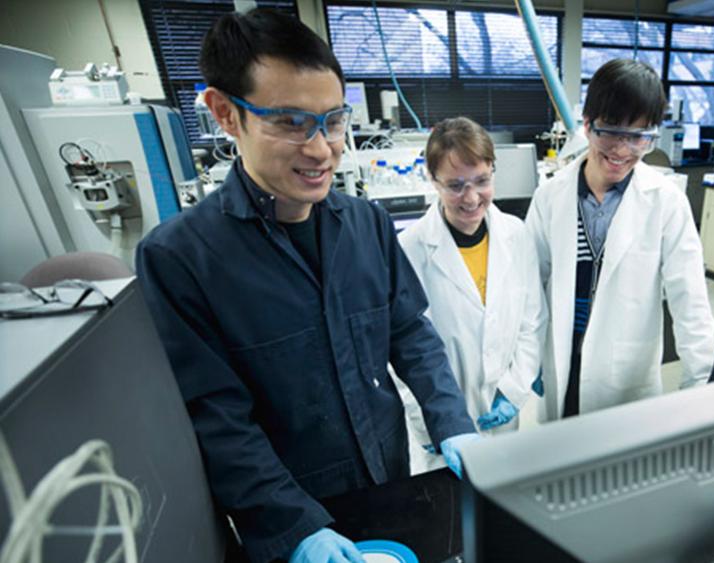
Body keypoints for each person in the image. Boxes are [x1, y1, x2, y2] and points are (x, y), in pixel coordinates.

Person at [134, 10, 477, 563]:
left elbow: (410, 333)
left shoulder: (365, 225)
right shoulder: (180, 259)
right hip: (287, 512)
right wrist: (293, 527)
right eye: (291, 122)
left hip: (386, 483)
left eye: (333, 120)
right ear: (226, 114)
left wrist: (453, 422)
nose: (321, 149)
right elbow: (217, 419)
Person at [525, 58, 714, 421]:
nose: (623, 149)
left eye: (640, 136)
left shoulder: (665, 201)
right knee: (563, 463)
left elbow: (689, 298)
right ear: (587, 123)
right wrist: (527, 358)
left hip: (625, 371)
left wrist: (700, 381)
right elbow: (532, 285)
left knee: (618, 470)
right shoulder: (550, 196)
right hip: (561, 355)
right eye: (611, 131)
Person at [397, 117, 546, 446]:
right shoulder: (409, 248)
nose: (471, 197)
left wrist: (514, 390)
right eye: (455, 185)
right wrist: (426, 421)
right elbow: (399, 350)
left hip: (503, 413)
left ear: (493, 170)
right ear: (433, 180)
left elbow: (532, 322)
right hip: (439, 423)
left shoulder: (517, 235)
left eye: (481, 181)